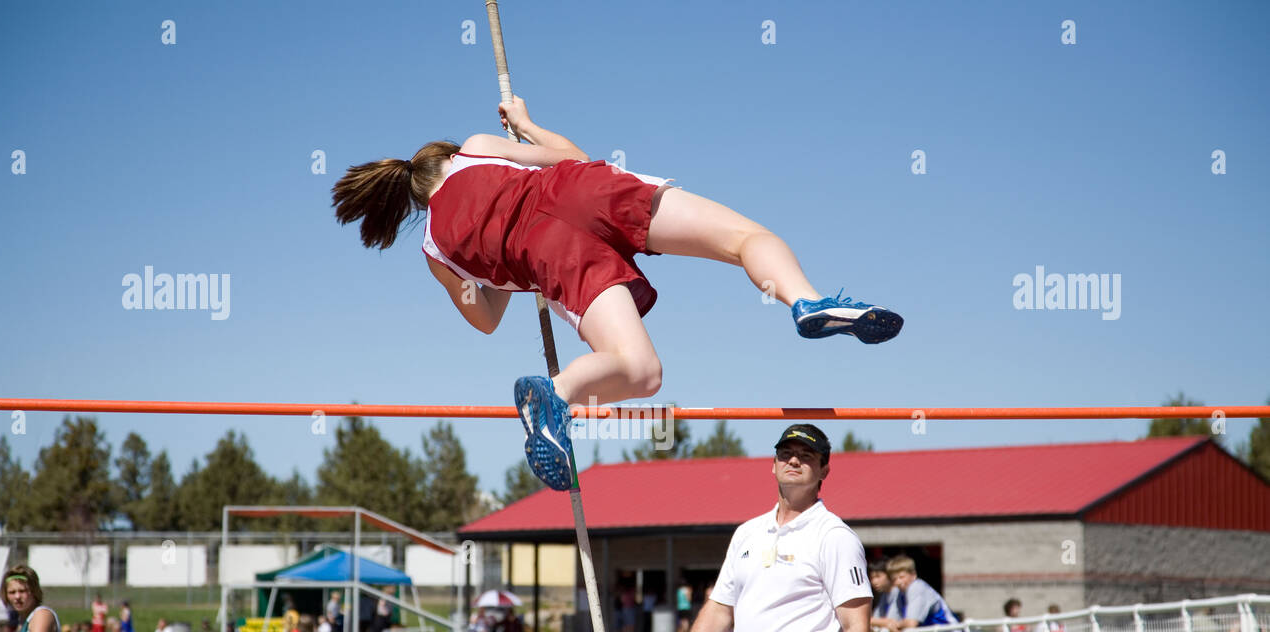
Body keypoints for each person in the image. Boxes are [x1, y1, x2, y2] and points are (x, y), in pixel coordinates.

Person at [332, 97, 904, 492]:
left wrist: (500, 273)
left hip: (547, 252)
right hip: (580, 192)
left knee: (640, 372)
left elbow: (485, 319)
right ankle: (805, 301)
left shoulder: (436, 251)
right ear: (446, 157)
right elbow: (571, 158)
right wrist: (526, 126)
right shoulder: (479, 147)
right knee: (746, 238)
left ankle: (555, 394)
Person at [662, 425, 873, 632]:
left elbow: (857, 626)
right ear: (773, 466)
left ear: (824, 470)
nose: (794, 461)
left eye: (806, 455)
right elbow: (721, 609)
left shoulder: (834, 535)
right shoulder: (748, 532)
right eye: (785, 454)